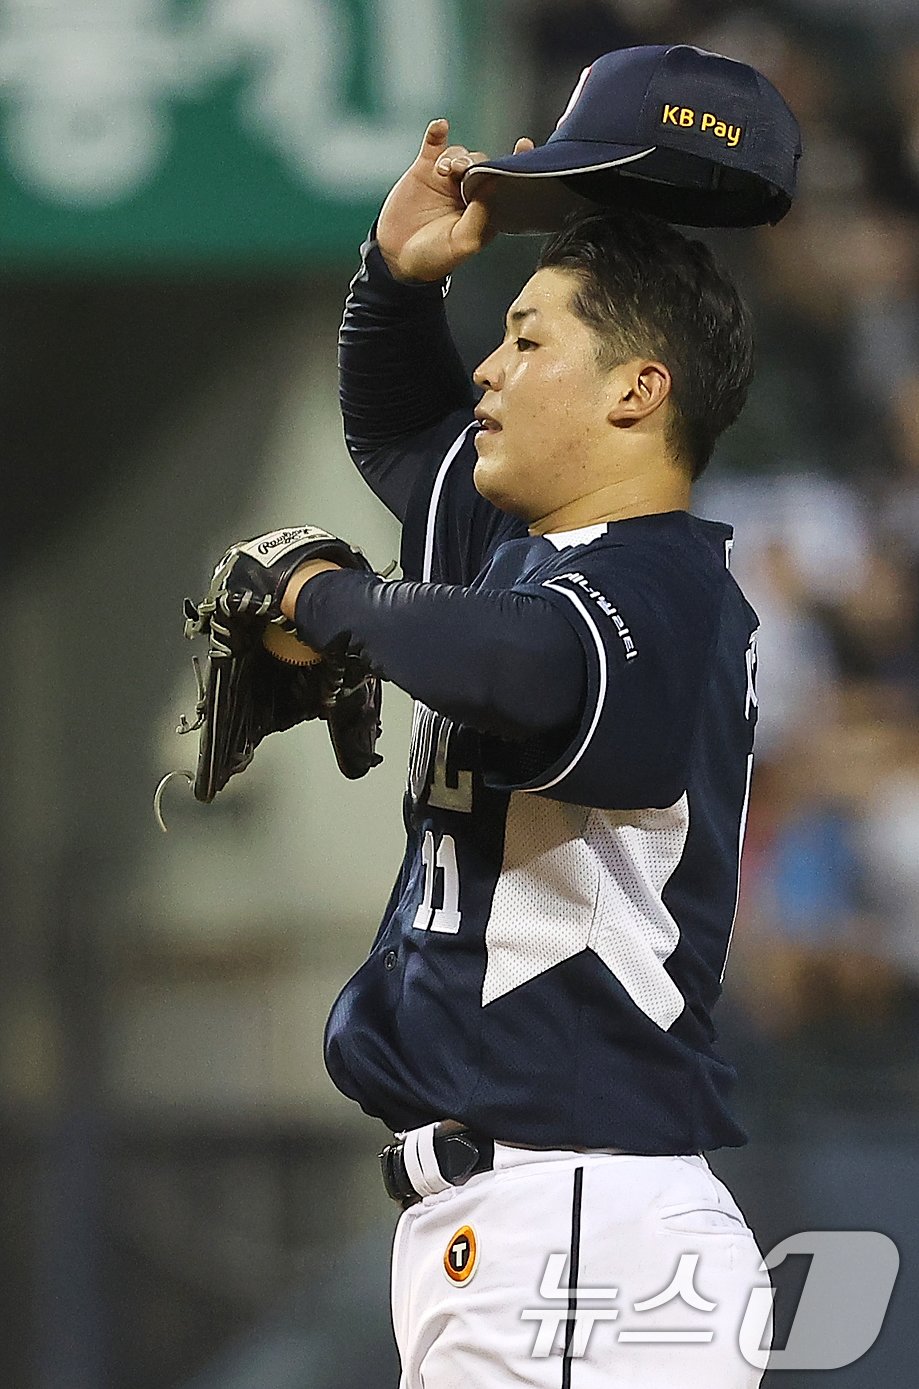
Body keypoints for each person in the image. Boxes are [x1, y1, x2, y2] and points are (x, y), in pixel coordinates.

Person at [278, 118, 771, 1388]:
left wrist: (329, 602)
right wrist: (399, 277)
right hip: (522, 1234)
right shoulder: (524, 554)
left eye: (528, 340)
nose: (488, 371)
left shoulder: (667, 586)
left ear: (635, 390)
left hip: (576, 1227)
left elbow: (532, 665)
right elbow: (400, 435)